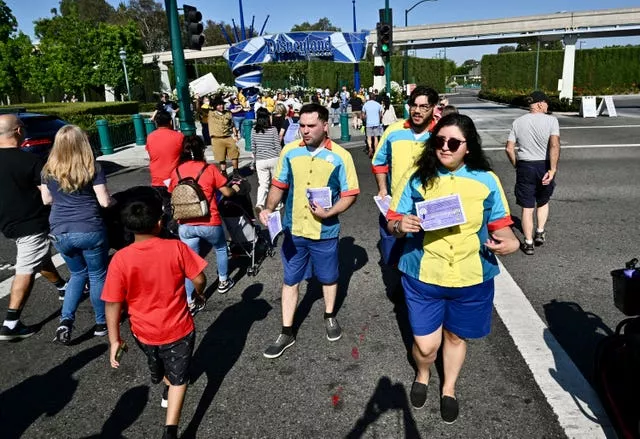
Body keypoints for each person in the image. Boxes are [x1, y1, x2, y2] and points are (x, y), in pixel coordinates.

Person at [386, 113, 520, 423]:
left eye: (453, 143)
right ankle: (423, 372)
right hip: (423, 274)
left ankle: (449, 387)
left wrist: (510, 243)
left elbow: (501, 225)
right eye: (439, 141)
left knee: (457, 338)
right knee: (425, 346)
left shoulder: (487, 180)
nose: (445, 148)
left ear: (468, 147)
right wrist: (399, 225)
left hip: (471, 276)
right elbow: (392, 220)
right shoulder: (417, 177)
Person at [102, 187, 207, 439]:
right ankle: (171, 430)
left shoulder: (120, 260)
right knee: (179, 378)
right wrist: (199, 293)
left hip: (143, 331)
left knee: (157, 365)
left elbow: (113, 303)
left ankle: (164, 381)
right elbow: (200, 278)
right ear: (160, 223)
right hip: (178, 328)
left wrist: (114, 338)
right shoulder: (176, 249)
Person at [258, 103, 360, 359]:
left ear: (325, 126)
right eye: (302, 125)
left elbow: (350, 194)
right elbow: (278, 185)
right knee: (290, 279)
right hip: (295, 230)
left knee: (328, 277)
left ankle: (329, 315)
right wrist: (268, 208)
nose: (304, 131)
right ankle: (286, 330)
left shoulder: (341, 156)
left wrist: (331, 212)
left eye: (311, 126)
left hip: (325, 231)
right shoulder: (290, 152)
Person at [41, 125, 114, 345]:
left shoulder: (48, 170)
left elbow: (47, 200)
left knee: (77, 275)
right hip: (89, 228)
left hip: (60, 230)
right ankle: (101, 323)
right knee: (97, 275)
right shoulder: (92, 167)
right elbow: (104, 201)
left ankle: (65, 320)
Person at [0, 115, 68, 341]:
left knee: (39, 256)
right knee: (26, 267)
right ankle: (11, 323)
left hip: (7, 223)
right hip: (30, 222)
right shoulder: (30, 162)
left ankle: (61, 286)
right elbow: (48, 196)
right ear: (19, 131)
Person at [168, 135, 239, 313]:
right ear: (202, 150)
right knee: (221, 248)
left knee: (189, 263)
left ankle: (190, 300)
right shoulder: (208, 169)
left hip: (185, 223)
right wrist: (236, 188)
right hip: (209, 220)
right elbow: (227, 192)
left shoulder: (176, 171)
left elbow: (172, 193)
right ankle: (223, 281)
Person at [372, 86, 440, 268]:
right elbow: (379, 162)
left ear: (434, 107)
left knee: (424, 260)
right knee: (392, 258)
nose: (417, 111)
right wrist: (382, 188)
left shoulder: (440, 134)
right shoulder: (393, 131)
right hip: (396, 205)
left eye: (424, 106)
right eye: (413, 105)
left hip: (429, 207)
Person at [505, 90, 560, 255]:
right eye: (546, 103)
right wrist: (552, 169)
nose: (547, 106)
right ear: (540, 103)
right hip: (543, 165)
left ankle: (528, 243)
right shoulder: (552, 121)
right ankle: (540, 231)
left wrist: (517, 165)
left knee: (527, 207)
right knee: (542, 201)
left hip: (524, 166)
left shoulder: (518, 122)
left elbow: (509, 148)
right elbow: (554, 145)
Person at [146, 110, 184, 233]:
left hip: (157, 177)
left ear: (156, 123)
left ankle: (165, 229)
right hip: (173, 177)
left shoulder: (150, 137)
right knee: (177, 205)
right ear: (170, 122)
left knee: (164, 205)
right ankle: (175, 229)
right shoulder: (179, 136)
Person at [251, 108, 281, 212]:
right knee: (275, 183)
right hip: (273, 158)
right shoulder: (273, 129)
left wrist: (254, 160)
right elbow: (277, 145)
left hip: (260, 160)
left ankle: (260, 203)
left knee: (263, 184)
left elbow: (253, 147)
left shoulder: (254, 130)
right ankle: (277, 204)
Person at [209, 96, 240, 177]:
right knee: (221, 158)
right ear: (215, 106)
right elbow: (199, 108)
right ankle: (224, 173)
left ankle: (236, 172)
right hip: (216, 138)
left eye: (222, 104)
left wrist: (235, 135)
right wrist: (198, 99)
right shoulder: (211, 113)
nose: (221, 106)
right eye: (219, 105)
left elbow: (232, 125)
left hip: (228, 137)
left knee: (235, 154)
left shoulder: (228, 113)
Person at [362, 93, 383, 157]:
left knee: (369, 137)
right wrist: (379, 119)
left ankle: (370, 147)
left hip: (369, 123)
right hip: (376, 123)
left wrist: (365, 119)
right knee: (376, 137)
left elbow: (363, 115)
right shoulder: (378, 104)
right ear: (374, 98)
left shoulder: (365, 105)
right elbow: (380, 114)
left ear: (369, 98)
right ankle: (376, 150)